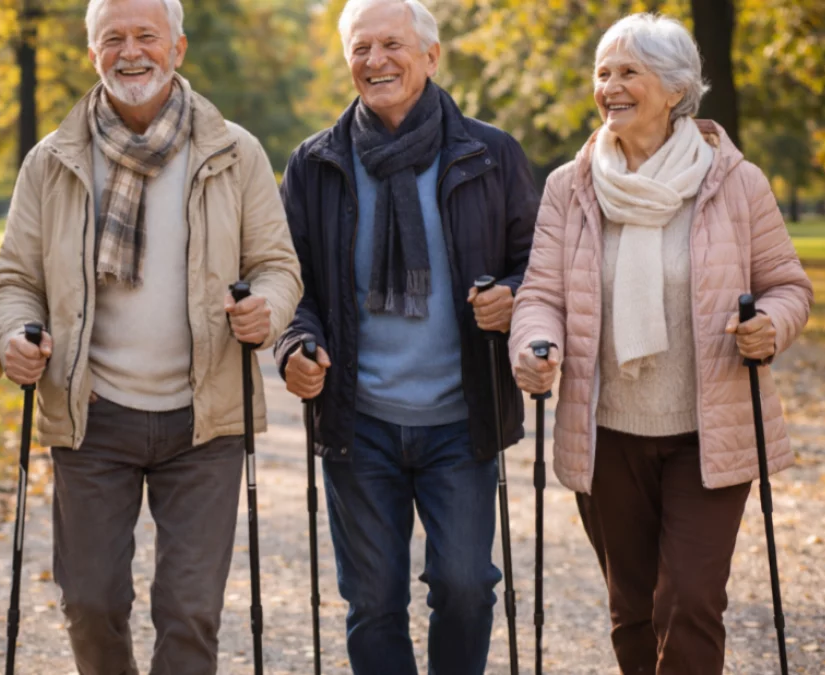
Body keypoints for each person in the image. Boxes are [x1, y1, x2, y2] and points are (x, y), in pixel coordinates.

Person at [0, 0, 302, 671]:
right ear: (93, 52)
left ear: (178, 49)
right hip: (93, 412)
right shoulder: (52, 161)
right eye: (113, 39)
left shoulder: (233, 152)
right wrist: (16, 331)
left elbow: (276, 266)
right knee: (90, 601)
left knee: (190, 610)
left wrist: (266, 311)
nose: (131, 52)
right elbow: (15, 277)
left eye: (146, 37)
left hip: (205, 417)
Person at [509, 14, 813, 674]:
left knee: (692, 600)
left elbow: (788, 286)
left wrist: (770, 324)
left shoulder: (735, 182)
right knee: (635, 607)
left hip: (709, 431)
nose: (610, 86)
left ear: (675, 89)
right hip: (609, 431)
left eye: (628, 72)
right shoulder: (571, 186)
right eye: (602, 72)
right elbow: (541, 295)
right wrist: (535, 344)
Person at [274, 0, 539, 671]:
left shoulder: (491, 153)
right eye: (360, 49)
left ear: (431, 55)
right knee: (373, 599)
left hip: (462, 415)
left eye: (392, 44)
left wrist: (514, 298)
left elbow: (535, 262)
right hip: (358, 419)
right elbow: (288, 281)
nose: (375, 61)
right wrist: (294, 348)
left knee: (465, 586)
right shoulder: (316, 164)